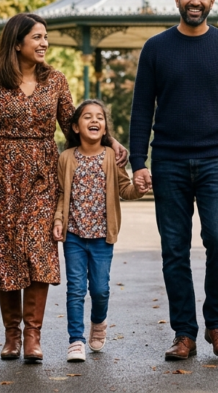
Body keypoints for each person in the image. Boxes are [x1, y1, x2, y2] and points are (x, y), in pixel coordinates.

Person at [0, 13, 128, 363]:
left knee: (38, 249)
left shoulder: (55, 79)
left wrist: (110, 140)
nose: (44, 43)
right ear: (17, 43)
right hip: (3, 177)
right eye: (37, 37)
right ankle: (12, 335)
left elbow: (74, 124)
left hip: (44, 175)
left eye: (45, 37)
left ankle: (33, 336)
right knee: (7, 251)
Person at [129, 0, 218, 361]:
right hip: (168, 160)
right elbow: (141, 109)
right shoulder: (155, 48)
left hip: (216, 159)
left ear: (212, 1)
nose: (195, 1)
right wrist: (138, 162)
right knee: (174, 249)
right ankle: (184, 333)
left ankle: (217, 326)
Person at [52, 100, 144, 362]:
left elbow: (125, 189)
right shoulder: (66, 158)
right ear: (75, 127)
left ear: (105, 128)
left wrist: (138, 189)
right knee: (75, 289)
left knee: (100, 290)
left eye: (100, 118)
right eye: (87, 117)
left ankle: (98, 321)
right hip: (74, 236)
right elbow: (62, 194)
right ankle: (76, 340)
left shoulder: (112, 157)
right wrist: (58, 220)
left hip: (103, 237)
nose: (94, 120)